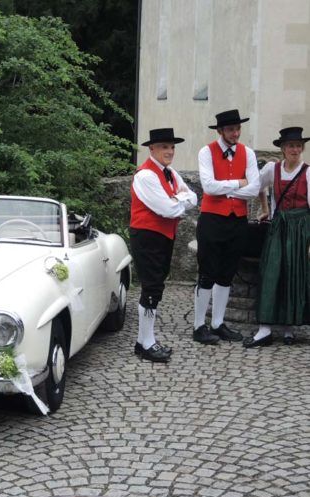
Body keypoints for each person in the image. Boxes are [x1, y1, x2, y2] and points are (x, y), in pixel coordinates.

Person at [193, 109, 260, 344]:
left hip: (237, 220)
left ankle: (218, 323)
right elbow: (209, 187)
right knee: (207, 272)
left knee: (227, 273)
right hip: (212, 219)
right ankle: (199, 325)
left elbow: (254, 188)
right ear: (221, 131)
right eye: (231, 129)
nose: (236, 133)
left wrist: (229, 187)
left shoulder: (247, 153)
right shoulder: (206, 152)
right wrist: (238, 183)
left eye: (238, 129)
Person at [130, 128, 197, 362]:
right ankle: (146, 343)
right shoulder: (146, 176)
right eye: (164, 147)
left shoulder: (170, 173)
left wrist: (176, 199)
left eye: (172, 147)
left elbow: (194, 197)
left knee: (156, 286)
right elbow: (166, 210)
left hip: (163, 235)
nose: (170, 151)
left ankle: (143, 341)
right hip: (147, 236)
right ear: (152, 149)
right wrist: (179, 199)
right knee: (151, 287)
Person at [243, 127, 310, 347]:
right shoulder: (273, 169)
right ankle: (265, 329)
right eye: (291, 146)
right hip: (279, 226)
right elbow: (256, 187)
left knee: (294, 275)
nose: (295, 150)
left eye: (298, 146)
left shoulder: (308, 172)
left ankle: (289, 328)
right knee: (271, 272)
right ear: (282, 148)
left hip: (301, 230)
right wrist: (265, 209)